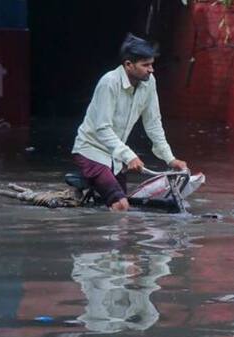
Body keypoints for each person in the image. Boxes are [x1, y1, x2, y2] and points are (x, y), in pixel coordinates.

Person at [71, 33, 188, 212]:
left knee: (125, 202)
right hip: (91, 151)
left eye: (152, 64)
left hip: (115, 157)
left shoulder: (149, 83)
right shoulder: (109, 82)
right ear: (128, 65)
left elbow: (153, 123)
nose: (151, 70)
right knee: (120, 205)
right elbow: (102, 128)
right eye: (146, 65)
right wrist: (129, 156)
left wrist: (170, 158)